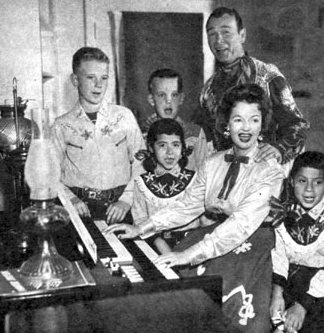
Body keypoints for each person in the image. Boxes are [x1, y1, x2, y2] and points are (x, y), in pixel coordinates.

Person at [105, 83, 285, 333]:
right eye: (238, 120)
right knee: (170, 300)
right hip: (212, 237)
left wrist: (187, 255)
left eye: (254, 120)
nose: (246, 128)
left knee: (220, 315)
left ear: (262, 124)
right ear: (226, 124)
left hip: (250, 247)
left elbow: (241, 224)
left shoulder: (270, 170)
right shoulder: (212, 163)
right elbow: (187, 205)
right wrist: (142, 227)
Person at [196, 6, 309, 165]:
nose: (218, 40)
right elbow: (206, 140)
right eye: (212, 34)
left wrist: (278, 150)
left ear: (242, 35)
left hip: (264, 172)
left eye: (226, 32)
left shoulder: (268, 76)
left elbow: (297, 125)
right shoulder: (209, 89)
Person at [52, 46, 145, 224]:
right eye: (90, 78)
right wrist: (71, 200)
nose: (98, 85)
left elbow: (142, 163)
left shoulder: (123, 116)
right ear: (75, 80)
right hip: (80, 209)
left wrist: (126, 201)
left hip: (120, 207)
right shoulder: (62, 125)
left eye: (104, 78)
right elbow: (50, 174)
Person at [270, 151, 324, 333]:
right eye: (302, 181)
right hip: (291, 288)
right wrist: (277, 295)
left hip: (322, 293)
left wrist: (301, 307)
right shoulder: (284, 215)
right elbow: (280, 257)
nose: (309, 189)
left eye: (317, 182)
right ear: (291, 181)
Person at [132, 118, 199, 253]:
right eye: (162, 145)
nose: (170, 152)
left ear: (182, 148)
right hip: (155, 245)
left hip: (191, 245)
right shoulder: (142, 183)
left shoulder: (195, 180)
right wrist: (161, 246)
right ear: (151, 148)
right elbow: (140, 221)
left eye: (175, 145)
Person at [141, 68, 208, 171]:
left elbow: (204, 172)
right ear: (151, 99)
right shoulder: (141, 135)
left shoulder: (195, 134)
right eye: (161, 95)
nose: (168, 101)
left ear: (181, 98)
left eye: (174, 95)